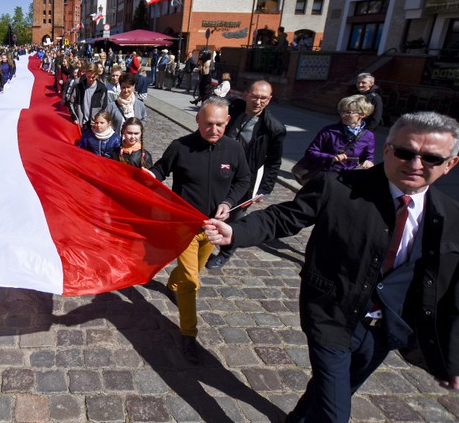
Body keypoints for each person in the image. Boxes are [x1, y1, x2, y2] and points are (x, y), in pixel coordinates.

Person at [203, 111, 459, 422]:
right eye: (406, 152)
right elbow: (282, 217)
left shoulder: (451, 217)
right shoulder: (337, 186)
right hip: (332, 316)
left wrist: (451, 356)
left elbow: (451, 290)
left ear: (449, 165)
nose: (415, 164)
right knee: (335, 414)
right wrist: (236, 233)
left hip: (387, 329)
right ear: (388, 150)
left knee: (334, 390)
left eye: (431, 158)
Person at [148, 96, 251, 362]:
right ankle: (189, 335)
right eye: (208, 124)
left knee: (190, 271)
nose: (213, 129)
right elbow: (161, 169)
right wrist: (148, 176)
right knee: (192, 281)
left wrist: (229, 203)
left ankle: (172, 283)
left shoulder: (234, 149)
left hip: (213, 228)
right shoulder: (180, 146)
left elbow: (243, 180)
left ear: (227, 121)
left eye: (219, 124)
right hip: (183, 226)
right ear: (197, 119)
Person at [206, 81, 286, 270]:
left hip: (246, 179)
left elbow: (274, 162)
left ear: (269, 99)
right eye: (255, 96)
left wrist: (265, 189)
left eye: (263, 98)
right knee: (212, 208)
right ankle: (205, 243)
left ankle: (225, 252)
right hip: (219, 170)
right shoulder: (233, 109)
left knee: (235, 217)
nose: (258, 101)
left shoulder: (274, 128)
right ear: (246, 94)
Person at [299, 94, 376, 177]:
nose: (343, 115)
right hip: (326, 176)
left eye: (348, 112)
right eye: (342, 111)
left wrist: (369, 162)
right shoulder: (329, 131)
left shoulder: (368, 136)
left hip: (349, 179)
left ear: (362, 115)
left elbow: (369, 158)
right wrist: (330, 158)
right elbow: (311, 152)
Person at [70, 64, 109, 131]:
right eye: (88, 77)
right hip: (80, 124)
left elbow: (104, 107)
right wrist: (75, 117)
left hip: (95, 124)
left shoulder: (102, 88)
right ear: (86, 74)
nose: (90, 79)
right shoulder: (79, 87)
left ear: (97, 75)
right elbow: (71, 103)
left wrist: (96, 119)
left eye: (93, 77)